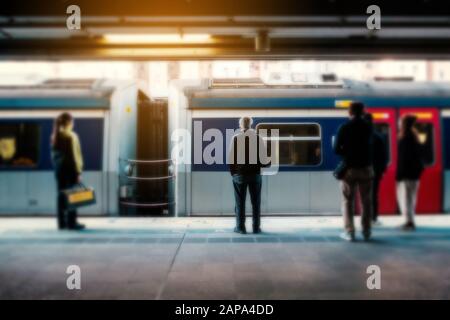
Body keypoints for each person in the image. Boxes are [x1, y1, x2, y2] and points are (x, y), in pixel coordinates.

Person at [334, 102, 374, 241]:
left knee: (347, 201)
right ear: (363, 112)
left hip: (349, 169)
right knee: (366, 201)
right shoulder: (368, 127)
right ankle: (366, 231)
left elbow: (336, 149)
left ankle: (350, 232)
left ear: (350, 112)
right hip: (366, 168)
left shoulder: (344, 127)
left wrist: (348, 152)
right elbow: (372, 145)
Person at [228, 117, 269, 234]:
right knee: (256, 202)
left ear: (241, 125)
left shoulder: (236, 138)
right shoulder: (258, 139)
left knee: (239, 202)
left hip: (240, 176)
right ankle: (256, 227)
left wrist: (234, 174)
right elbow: (264, 159)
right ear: (251, 125)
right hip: (255, 175)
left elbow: (231, 159)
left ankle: (240, 228)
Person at [51, 112, 85, 230]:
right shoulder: (71, 136)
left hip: (59, 172)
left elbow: (55, 157)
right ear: (69, 122)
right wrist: (78, 172)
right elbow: (75, 156)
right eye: (72, 121)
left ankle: (62, 223)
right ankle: (72, 222)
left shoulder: (55, 136)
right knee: (72, 196)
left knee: (61, 197)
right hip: (70, 171)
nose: (73, 123)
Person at [396, 115, 424, 231]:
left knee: (405, 198)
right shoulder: (415, 136)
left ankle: (409, 221)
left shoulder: (405, 138)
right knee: (412, 198)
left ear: (403, 124)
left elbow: (403, 159)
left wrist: (399, 175)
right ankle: (410, 220)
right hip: (415, 173)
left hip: (406, 173)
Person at [364, 113, 388, 225]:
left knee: (364, 195)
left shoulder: (360, 137)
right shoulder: (379, 137)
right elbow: (384, 156)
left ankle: (366, 218)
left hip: (363, 169)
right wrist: (382, 171)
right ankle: (373, 218)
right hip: (376, 171)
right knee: (374, 195)